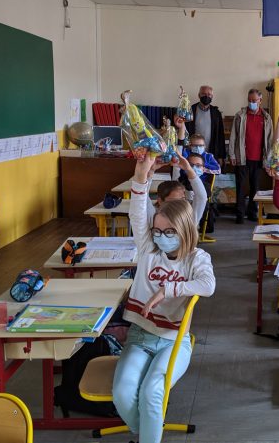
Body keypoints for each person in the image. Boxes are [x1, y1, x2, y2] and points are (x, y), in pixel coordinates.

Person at [113, 153, 215, 443]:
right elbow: (138, 213)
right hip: (140, 336)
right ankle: (146, 431)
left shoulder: (196, 257)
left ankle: (148, 434)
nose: (160, 236)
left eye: (169, 232)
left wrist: (167, 289)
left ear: (184, 230)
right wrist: (141, 177)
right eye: (157, 231)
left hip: (174, 341)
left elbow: (208, 285)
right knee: (122, 393)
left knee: (152, 392)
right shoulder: (149, 250)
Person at [229, 88, 272, 223]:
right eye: (249, 100)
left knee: (255, 187)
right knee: (240, 186)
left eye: (254, 100)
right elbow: (233, 136)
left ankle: (253, 213)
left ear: (260, 100)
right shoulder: (240, 115)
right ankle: (240, 214)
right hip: (242, 157)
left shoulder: (266, 117)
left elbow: (270, 139)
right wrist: (232, 155)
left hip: (259, 158)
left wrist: (268, 159)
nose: (251, 103)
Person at [147, 154, 208, 226]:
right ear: (160, 201)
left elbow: (201, 198)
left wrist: (189, 169)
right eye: (174, 200)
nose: (180, 204)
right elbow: (143, 198)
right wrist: (151, 170)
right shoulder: (153, 217)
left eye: (183, 199)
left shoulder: (188, 218)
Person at [183, 85, 226, 163]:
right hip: (193, 152)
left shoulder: (216, 113)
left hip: (211, 152)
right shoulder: (191, 110)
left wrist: (221, 156)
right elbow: (185, 132)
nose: (206, 96)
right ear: (199, 95)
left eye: (209, 94)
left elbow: (220, 135)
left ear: (212, 96)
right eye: (204, 94)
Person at [181, 152, 216, 232]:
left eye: (198, 165)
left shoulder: (206, 186)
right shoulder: (180, 183)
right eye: (191, 165)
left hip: (195, 221)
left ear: (203, 169)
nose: (194, 168)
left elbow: (202, 205)